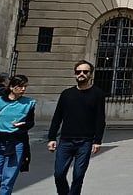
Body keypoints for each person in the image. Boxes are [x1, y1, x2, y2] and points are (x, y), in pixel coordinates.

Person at [46, 60, 106, 194]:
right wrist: (51, 138)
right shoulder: (66, 94)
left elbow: (100, 119)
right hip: (66, 140)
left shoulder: (98, 94)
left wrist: (97, 141)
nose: (82, 74)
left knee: (78, 176)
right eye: (79, 72)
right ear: (75, 74)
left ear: (90, 74)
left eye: (85, 72)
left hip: (85, 141)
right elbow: (57, 117)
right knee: (59, 174)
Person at [0, 74, 35, 195]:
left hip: (17, 143)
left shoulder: (28, 103)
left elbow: (31, 122)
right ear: (11, 87)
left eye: (25, 86)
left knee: (8, 180)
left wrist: (23, 124)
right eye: (20, 86)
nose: (23, 89)